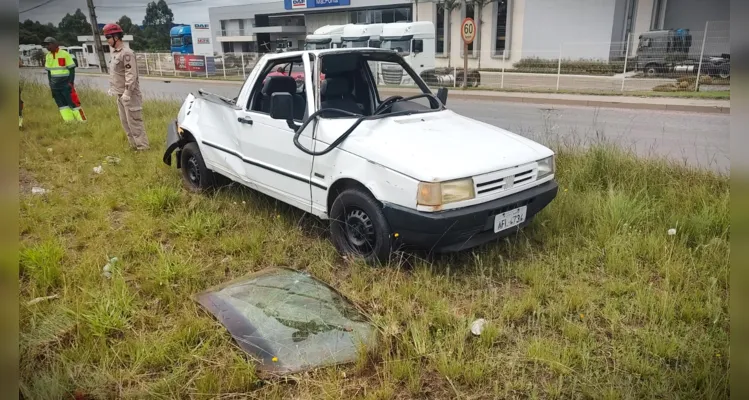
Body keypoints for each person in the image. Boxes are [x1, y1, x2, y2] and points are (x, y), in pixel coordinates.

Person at [104, 23, 149, 151]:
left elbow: (131, 74)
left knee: (134, 122)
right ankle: (133, 146)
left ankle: (143, 148)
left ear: (116, 37)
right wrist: (112, 88)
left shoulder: (127, 53)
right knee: (125, 123)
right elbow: (116, 73)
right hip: (119, 94)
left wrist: (127, 93)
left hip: (130, 95)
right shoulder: (114, 53)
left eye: (108, 37)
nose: (107, 40)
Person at [43, 37, 86, 122]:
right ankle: (69, 122)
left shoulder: (64, 54)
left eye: (48, 44)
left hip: (66, 84)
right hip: (55, 86)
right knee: (62, 106)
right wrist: (51, 85)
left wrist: (71, 83)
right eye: (45, 45)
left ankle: (83, 121)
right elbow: (49, 72)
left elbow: (71, 69)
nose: (47, 47)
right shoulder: (48, 56)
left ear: (54, 44)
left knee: (74, 103)